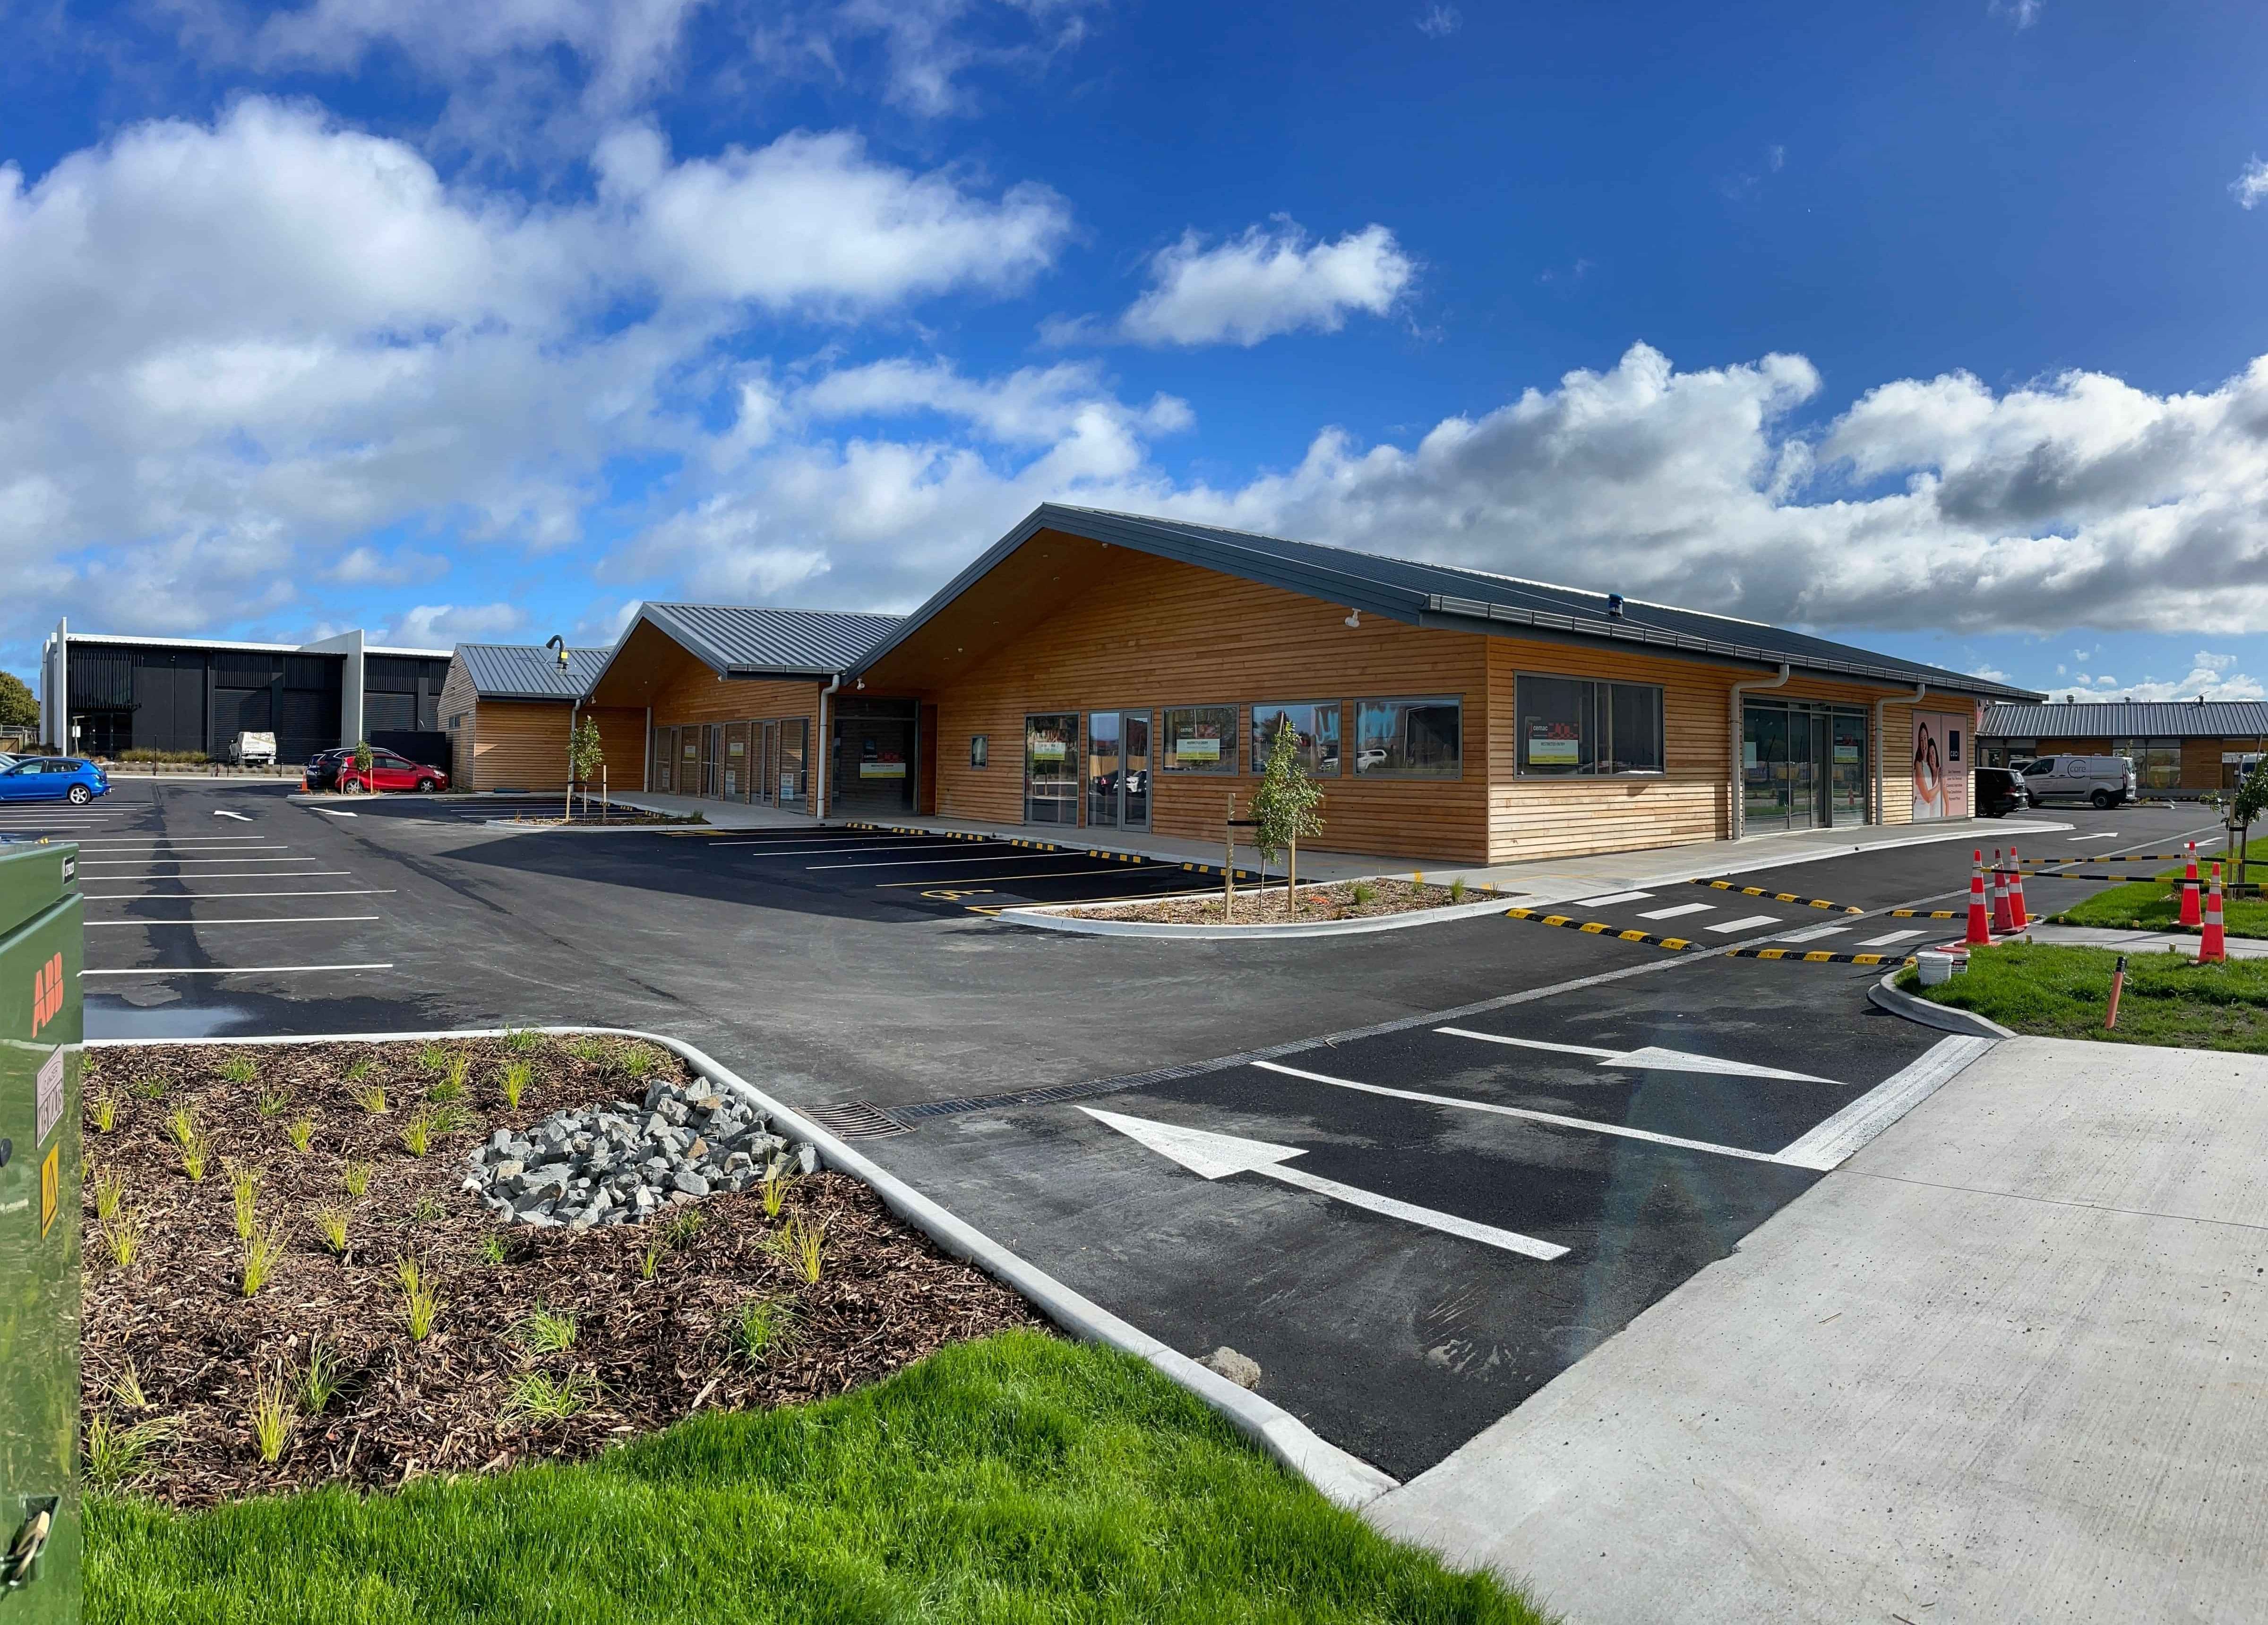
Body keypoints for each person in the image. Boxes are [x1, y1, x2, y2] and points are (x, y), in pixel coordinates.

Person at [1913, 728, 1944, 819]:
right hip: (1919, 814)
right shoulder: (1919, 764)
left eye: (1925, 739)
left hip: (1926, 815)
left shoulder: (1927, 765)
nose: (1923, 744)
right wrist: (1940, 785)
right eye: (1921, 740)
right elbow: (1928, 798)